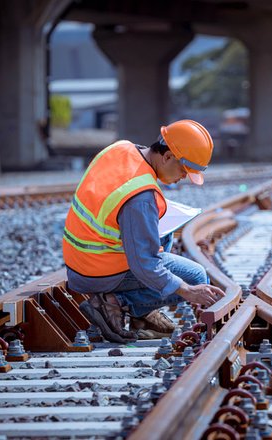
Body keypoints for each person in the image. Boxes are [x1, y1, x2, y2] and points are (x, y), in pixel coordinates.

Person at [62, 120, 226, 343]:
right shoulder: (140, 198)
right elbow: (145, 265)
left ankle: (140, 313)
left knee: (163, 232)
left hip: (79, 258)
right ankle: (115, 303)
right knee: (196, 276)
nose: (184, 177)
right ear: (167, 156)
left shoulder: (121, 148)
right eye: (184, 170)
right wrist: (187, 290)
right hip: (97, 270)